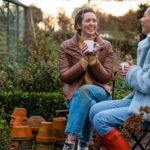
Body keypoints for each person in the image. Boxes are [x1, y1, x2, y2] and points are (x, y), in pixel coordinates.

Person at [89, 7, 150, 150]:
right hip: (141, 100)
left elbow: (148, 82)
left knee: (101, 119)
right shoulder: (147, 44)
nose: (141, 19)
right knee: (94, 110)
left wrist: (132, 71)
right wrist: (133, 69)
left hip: (146, 108)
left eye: (144, 16)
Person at [59, 7, 113, 150]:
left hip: (101, 93)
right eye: (88, 20)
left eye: (94, 20)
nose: (92, 23)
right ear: (78, 25)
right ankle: (83, 145)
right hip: (75, 97)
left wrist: (93, 60)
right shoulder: (67, 46)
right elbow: (64, 76)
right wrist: (83, 61)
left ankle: (70, 140)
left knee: (86, 90)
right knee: (89, 103)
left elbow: (106, 77)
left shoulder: (106, 46)